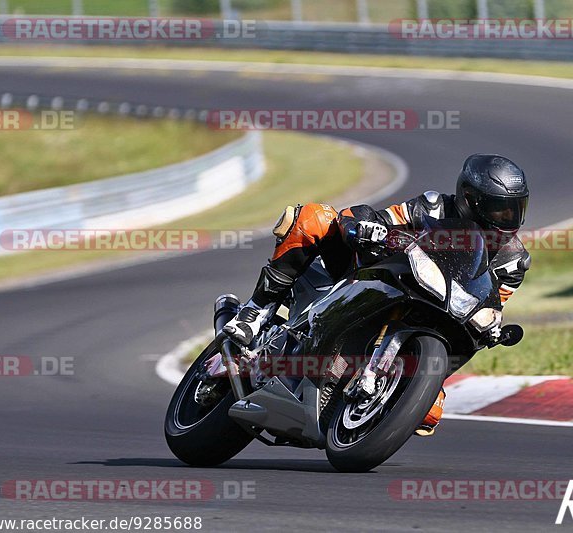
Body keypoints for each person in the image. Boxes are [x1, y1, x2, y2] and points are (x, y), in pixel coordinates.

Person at [224, 154, 531, 436]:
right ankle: (256, 309)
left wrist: (485, 330)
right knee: (314, 218)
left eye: (515, 209)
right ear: (469, 199)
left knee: (429, 411)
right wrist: (363, 226)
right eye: (499, 210)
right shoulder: (433, 207)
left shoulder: (514, 260)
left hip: (435, 310)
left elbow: (490, 306)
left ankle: (359, 394)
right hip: (375, 273)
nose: (508, 218)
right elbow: (379, 217)